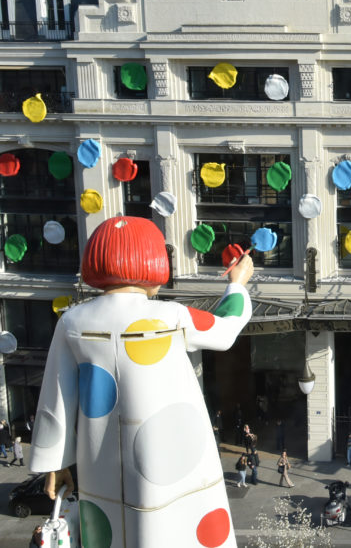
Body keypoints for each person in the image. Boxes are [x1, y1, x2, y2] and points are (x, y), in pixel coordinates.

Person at [29, 216, 255, 548]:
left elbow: (56, 399)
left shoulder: (72, 321)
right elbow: (225, 328)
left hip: (100, 467)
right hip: (172, 460)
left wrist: (55, 464)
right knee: (179, 525)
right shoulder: (172, 316)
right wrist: (237, 284)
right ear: (152, 262)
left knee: (108, 529)